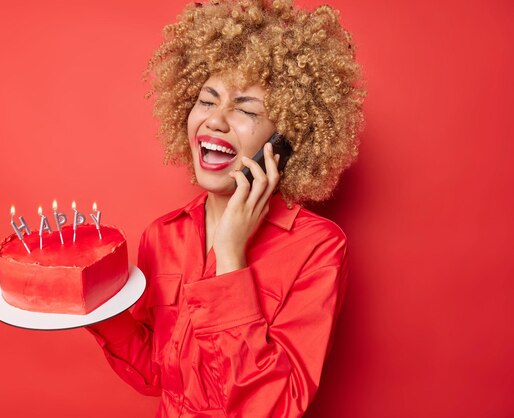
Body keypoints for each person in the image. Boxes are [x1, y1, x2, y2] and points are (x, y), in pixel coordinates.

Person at [86, 0, 365, 416]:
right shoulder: (163, 235)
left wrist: (231, 259)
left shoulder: (319, 249)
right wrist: (93, 303)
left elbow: (273, 407)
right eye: (207, 100)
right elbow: (157, 375)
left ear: (284, 142)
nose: (216, 121)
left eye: (247, 110)